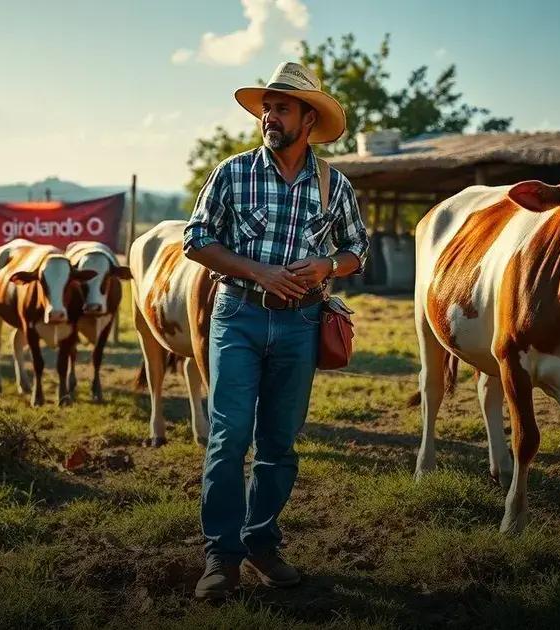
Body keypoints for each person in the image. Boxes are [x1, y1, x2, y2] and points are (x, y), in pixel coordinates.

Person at [184, 61, 370, 599]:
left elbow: (358, 249)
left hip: (301, 324)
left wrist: (327, 267)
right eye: (266, 107)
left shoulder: (334, 184)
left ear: (308, 119)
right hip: (238, 315)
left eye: (281, 108)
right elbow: (195, 239)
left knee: (279, 445)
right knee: (228, 438)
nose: (269, 116)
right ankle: (221, 557)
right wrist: (257, 270)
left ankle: (261, 542)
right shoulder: (232, 172)